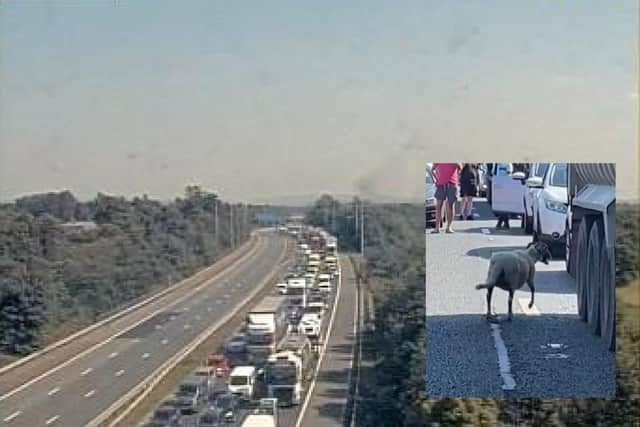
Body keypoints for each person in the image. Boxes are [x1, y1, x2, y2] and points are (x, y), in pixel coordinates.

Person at [431, 163, 461, 234]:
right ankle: (437, 228)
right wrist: (437, 179)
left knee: (450, 205)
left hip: (451, 183)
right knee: (438, 206)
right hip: (440, 184)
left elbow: (460, 168)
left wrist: (457, 179)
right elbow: (433, 170)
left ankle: (449, 227)